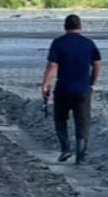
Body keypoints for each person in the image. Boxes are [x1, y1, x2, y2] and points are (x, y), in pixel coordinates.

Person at [42, 14, 102, 165]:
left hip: (63, 89)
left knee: (60, 120)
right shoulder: (88, 43)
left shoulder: (58, 43)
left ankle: (65, 149)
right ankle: (80, 157)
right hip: (83, 90)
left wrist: (45, 85)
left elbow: (53, 66)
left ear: (65, 26)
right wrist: (92, 82)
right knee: (82, 123)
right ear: (80, 27)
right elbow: (98, 64)